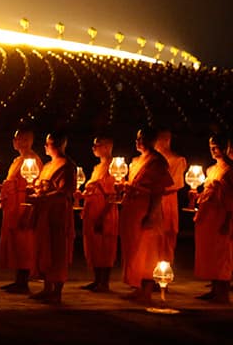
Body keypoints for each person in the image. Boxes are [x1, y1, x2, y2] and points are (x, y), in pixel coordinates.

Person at [118, 127, 173, 304]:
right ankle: (137, 287)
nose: (138, 141)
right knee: (133, 251)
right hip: (132, 210)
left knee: (147, 252)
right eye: (137, 138)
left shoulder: (157, 161)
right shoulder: (138, 161)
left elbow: (158, 191)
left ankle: (147, 290)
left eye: (142, 138)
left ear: (151, 140)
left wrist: (151, 214)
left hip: (146, 210)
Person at [26, 132, 77, 304]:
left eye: (50, 143)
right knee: (45, 248)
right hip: (44, 212)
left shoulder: (67, 166)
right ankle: (47, 288)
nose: (47, 147)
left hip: (58, 213)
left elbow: (65, 191)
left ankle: (57, 291)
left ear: (59, 145)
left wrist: (43, 197)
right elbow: (41, 186)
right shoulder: (48, 165)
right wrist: (34, 192)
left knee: (58, 250)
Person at [0, 128, 43, 294]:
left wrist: (28, 212)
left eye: (23, 139)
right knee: (15, 244)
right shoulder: (17, 160)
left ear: (30, 141)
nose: (18, 142)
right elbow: (13, 184)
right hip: (13, 207)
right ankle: (18, 280)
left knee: (24, 243)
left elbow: (33, 188)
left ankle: (23, 281)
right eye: (16, 139)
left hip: (23, 205)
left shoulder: (33, 161)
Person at [193, 134, 232, 304]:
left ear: (226, 148)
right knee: (211, 254)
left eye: (216, 147)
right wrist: (198, 195)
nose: (213, 151)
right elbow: (209, 193)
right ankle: (214, 288)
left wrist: (227, 221)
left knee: (222, 254)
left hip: (222, 216)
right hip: (208, 217)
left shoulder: (230, 171)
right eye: (211, 148)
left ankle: (222, 292)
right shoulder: (211, 169)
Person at [80, 135, 119, 293]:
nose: (94, 148)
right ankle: (96, 279)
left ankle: (104, 281)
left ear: (107, 147)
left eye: (97, 145)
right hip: (92, 209)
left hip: (105, 211)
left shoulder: (114, 167)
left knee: (105, 246)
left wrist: (103, 215)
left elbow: (113, 194)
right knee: (94, 246)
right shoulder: (98, 168)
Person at [156, 129, 187, 263]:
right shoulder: (153, 160)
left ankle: (164, 275)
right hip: (152, 202)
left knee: (166, 237)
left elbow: (175, 184)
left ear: (166, 140)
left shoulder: (177, 160)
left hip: (167, 203)